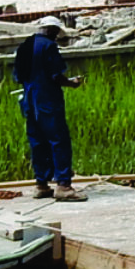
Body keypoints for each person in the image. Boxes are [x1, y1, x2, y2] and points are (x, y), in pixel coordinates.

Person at [14, 16, 86, 201]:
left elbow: (18, 76)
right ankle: (63, 185)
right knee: (58, 140)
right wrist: (71, 83)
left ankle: (41, 184)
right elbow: (56, 75)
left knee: (37, 142)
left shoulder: (25, 46)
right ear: (52, 30)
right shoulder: (48, 46)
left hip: (29, 100)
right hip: (47, 99)